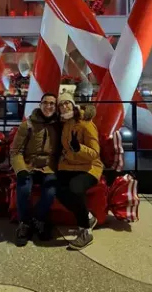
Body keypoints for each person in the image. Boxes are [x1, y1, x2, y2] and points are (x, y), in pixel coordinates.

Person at [9, 93, 60, 247]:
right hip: (29, 166)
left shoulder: (59, 125)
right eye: (45, 102)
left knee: (50, 191)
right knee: (23, 189)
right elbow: (15, 151)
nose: (48, 106)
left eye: (52, 103)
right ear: (40, 104)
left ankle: (38, 219)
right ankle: (24, 223)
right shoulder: (28, 125)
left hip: (49, 167)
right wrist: (21, 169)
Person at [55, 91, 103, 250]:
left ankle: (85, 232)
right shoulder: (65, 123)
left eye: (67, 103)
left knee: (76, 188)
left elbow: (95, 153)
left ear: (73, 104)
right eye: (61, 104)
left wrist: (79, 148)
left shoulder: (86, 123)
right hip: (69, 166)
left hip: (89, 167)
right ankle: (88, 217)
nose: (64, 106)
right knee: (57, 189)